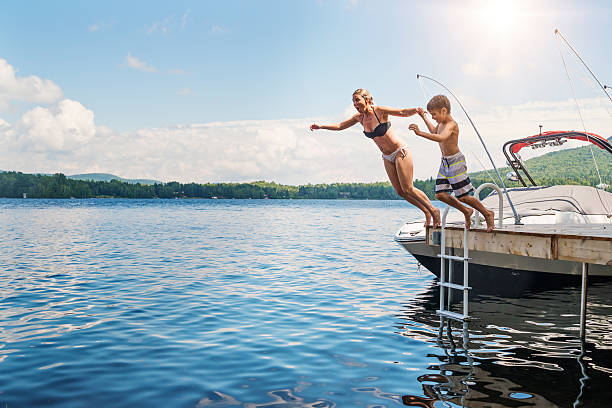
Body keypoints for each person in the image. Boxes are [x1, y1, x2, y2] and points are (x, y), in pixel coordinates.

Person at [310, 88, 441, 228]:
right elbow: (340, 126)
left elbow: (401, 112)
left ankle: (434, 211)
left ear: (366, 100)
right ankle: (427, 212)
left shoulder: (379, 110)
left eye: (357, 100)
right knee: (400, 192)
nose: (355, 104)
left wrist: (416, 110)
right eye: (353, 101)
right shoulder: (359, 118)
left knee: (408, 188)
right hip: (387, 157)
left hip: (400, 151)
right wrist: (321, 126)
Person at [409, 94, 495, 231]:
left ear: (444, 110)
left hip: (456, 161)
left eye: (434, 114)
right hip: (445, 162)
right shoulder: (441, 123)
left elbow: (440, 137)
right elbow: (434, 131)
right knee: (440, 194)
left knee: (464, 196)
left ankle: (487, 213)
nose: (433, 117)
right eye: (431, 115)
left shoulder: (451, 124)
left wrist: (420, 133)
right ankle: (466, 211)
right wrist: (423, 117)